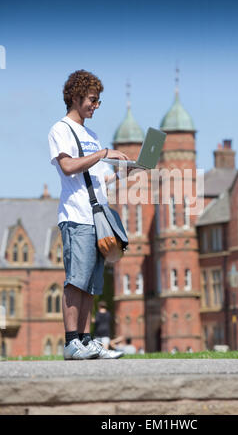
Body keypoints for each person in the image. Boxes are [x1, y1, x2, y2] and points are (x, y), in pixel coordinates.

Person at [48, 69, 129, 360]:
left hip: (98, 217)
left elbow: (102, 178)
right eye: (93, 100)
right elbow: (68, 166)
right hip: (76, 215)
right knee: (76, 280)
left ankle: (86, 340)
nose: (96, 105)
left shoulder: (91, 135)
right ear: (76, 96)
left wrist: (126, 171)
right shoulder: (61, 129)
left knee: (92, 284)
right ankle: (71, 343)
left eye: (98, 101)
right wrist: (103, 153)